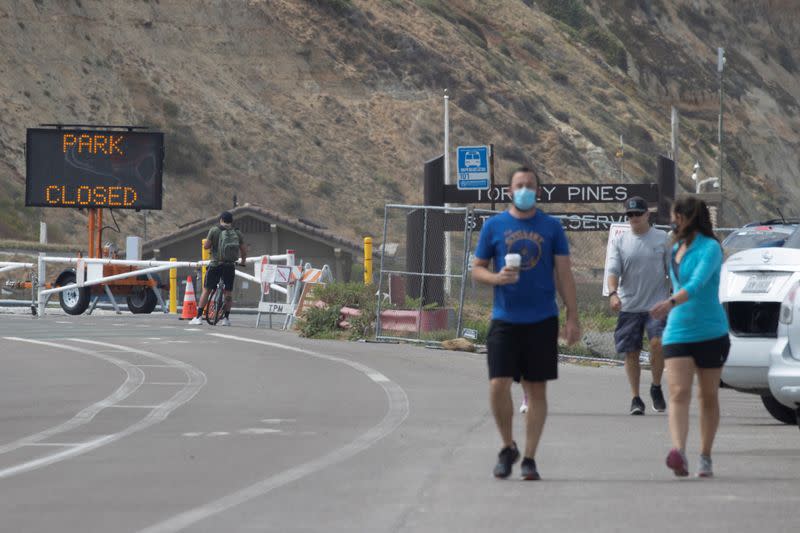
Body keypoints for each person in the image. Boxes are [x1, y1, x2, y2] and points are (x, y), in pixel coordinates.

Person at [472, 166, 581, 481]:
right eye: (519, 185)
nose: (524, 189)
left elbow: (563, 274)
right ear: (509, 191)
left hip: (542, 319)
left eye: (530, 185)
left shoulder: (551, 227)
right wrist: (496, 277)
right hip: (505, 319)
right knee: (498, 384)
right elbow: (477, 268)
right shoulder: (494, 226)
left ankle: (530, 458)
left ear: (538, 190)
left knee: (536, 390)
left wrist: (572, 316)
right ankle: (508, 447)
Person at [649, 196, 729, 478]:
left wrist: (669, 303)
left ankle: (705, 456)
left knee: (707, 396)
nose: (672, 221)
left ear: (687, 218)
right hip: (678, 330)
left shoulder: (711, 248)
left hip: (710, 331)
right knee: (678, 392)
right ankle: (679, 452)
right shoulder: (675, 247)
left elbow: (696, 283)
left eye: (675, 217)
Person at [606, 196, 670, 415]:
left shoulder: (662, 238)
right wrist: (613, 293)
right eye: (630, 215)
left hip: (657, 306)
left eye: (637, 214)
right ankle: (635, 398)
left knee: (657, 343)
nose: (633, 218)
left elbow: (672, 271)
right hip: (630, 306)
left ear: (647, 215)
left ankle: (656, 385)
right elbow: (613, 271)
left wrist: (674, 298)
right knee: (631, 352)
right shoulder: (621, 241)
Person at [190, 211, 247, 326]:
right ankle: (226, 319)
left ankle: (199, 317)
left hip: (216, 264)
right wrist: (243, 261)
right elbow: (243, 250)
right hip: (229, 265)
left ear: (221, 220)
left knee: (207, 290)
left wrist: (211, 245)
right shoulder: (237, 232)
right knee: (228, 292)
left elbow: (206, 246)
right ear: (231, 221)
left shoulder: (214, 230)